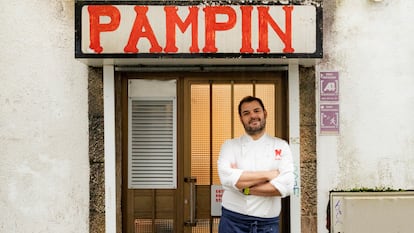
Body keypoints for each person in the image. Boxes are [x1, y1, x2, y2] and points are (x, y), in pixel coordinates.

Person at [217, 96, 294, 233]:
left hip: (267, 224)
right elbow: (227, 179)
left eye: (256, 111)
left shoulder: (281, 146)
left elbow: (287, 186)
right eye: (246, 113)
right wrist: (270, 175)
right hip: (233, 221)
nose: (252, 116)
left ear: (265, 113)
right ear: (241, 118)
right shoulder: (229, 146)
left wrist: (245, 188)